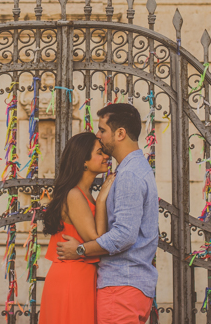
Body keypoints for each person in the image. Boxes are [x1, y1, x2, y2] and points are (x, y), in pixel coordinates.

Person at [56, 103, 159, 324]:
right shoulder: (133, 169)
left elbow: (124, 235)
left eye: (102, 129)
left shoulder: (129, 174)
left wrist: (81, 249)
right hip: (127, 286)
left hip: (122, 286)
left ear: (120, 133)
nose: (98, 135)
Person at [40, 132, 115, 324]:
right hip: (72, 278)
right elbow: (97, 238)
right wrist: (102, 201)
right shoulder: (74, 194)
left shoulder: (82, 193)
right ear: (84, 161)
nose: (107, 156)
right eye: (100, 152)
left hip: (80, 275)